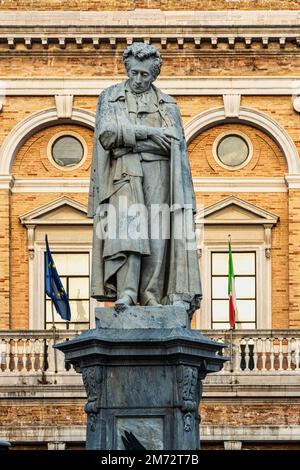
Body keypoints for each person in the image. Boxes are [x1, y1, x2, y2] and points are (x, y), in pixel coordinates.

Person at [88, 42, 201, 315]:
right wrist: (148, 134)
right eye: (135, 73)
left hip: (160, 172)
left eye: (145, 75)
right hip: (124, 174)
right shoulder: (110, 97)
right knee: (127, 232)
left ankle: (151, 294)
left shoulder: (168, 105)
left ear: (154, 75)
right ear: (128, 69)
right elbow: (107, 135)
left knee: (158, 234)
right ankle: (127, 292)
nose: (139, 79)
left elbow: (173, 143)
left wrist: (129, 140)